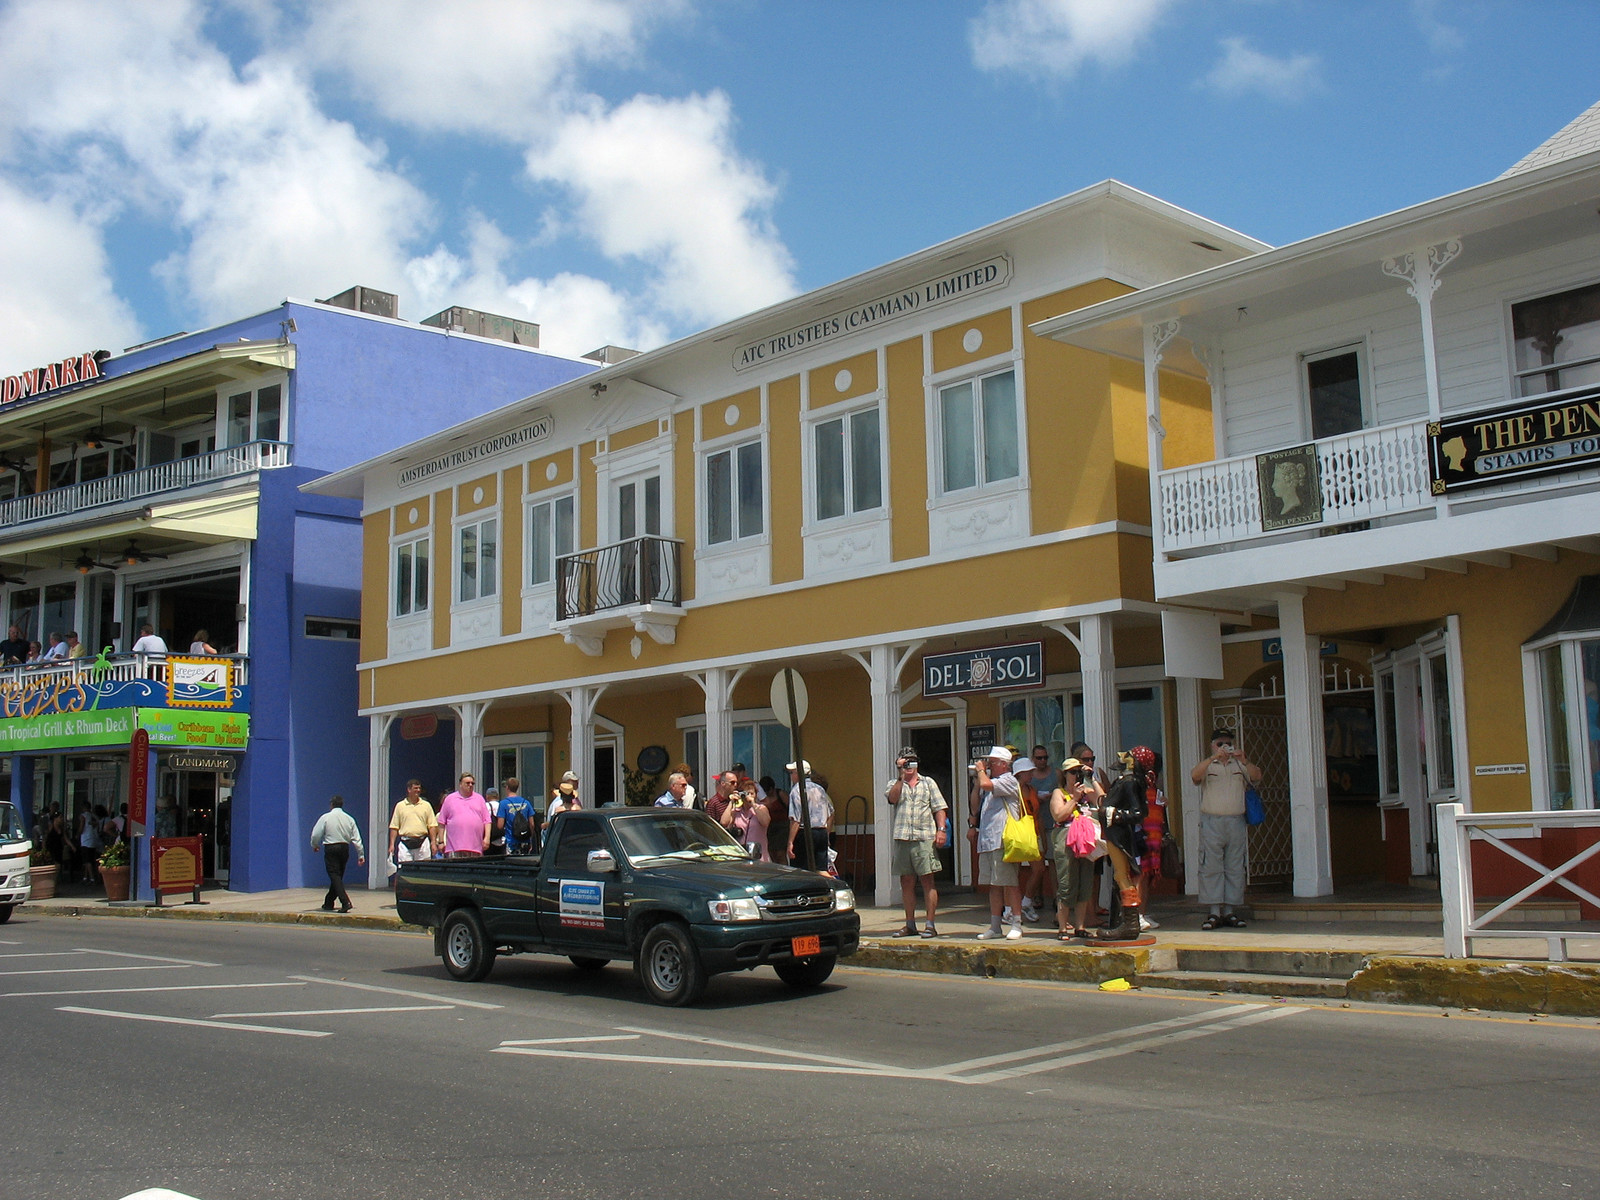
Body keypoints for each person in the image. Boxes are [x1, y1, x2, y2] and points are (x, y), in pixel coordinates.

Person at [1192, 729, 1261, 930]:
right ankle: (1214, 912)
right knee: (1211, 866)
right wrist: (1213, 757)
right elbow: (1195, 776)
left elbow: (1257, 776)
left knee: (1234, 866)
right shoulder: (1209, 764)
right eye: (1220, 743)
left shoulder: (1239, 764)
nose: (1224, 746)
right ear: (1213, 745)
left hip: (1235, 821)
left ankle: (1230, 911)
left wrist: (1244, 760)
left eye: (1227, 743)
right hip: (1212, 821)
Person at [885, 747, 948, 939]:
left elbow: (939, 808)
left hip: (924, 837)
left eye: (911, 761)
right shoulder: (895, 783)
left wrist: (941, 830)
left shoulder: (928, 783)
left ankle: (930, 924)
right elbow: (892, 798)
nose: (909, 765)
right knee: (906, 882)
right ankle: (910, 924)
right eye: (905, 762)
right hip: (903, 837)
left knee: (928, 880)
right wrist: (901, 776)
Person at [1095, 747, 1153, 941]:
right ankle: (1122, 920)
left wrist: (1115, 815)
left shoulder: (1131, 782)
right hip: (1113, 833)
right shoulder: (1124, 781)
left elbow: (1139, 813)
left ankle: (1130, 922)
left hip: (1120, 835)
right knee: (1118, 877)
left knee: (1122, 876)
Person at [968, 747, 1023, 940]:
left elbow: (987, 785)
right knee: (994, 885)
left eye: (992, 762)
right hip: (988, 840)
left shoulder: (1008, 780)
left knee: (1010, 883)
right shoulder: (989, 782)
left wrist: (982, 773)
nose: (988, 765)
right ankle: (995, 926)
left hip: (1002, 839)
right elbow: (975, 805)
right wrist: (976, 782)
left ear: (1002, 764)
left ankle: (1016, 922)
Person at [1050, 756, 1106, 939]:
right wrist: (1074, 798)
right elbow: (1059, 815)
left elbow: (1101, 800)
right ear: (1065, 774)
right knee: (1067, 883)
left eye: (1079, 772)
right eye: (1073, 772)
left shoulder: (1086, 790)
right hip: (1066, 837)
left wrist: (1092, 778)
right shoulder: (1059, 793)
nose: (1076, 776)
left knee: (1085, 883)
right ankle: (1062, 928)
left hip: (1085, 839)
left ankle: (1080, 927)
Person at [309, 794, 365, 914]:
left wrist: (315, 845)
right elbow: (356, 838)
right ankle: (329, 902)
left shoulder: (326, 817)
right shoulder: (349, 818)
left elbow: (315, 834)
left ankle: (345, 902)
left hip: (331, 847)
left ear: (331, 805)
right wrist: (361, 854)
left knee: (334, 875)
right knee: (337, 876)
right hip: (344, 848)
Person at [785, 760, 833, 871]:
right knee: (821, 869)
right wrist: (827, 833)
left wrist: (790, 842)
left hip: (804, 833)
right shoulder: (819, 789)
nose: (791, 776)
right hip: (821, 832)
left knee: (801, 870)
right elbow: (831, 813)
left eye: (792, 773)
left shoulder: (796, 790)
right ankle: (834, 885)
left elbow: (795, 819)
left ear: (799, 774)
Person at [387, 779, 438, 878]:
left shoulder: (426, 805)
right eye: (415, 788)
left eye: (419, 788)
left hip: (422, 842)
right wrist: (392, 845)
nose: (418, 790)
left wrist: (433, 842)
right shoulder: (400, 806)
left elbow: (432, 825)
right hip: (405, 843)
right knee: (405, 870)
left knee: (424, 869)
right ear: (409, 790)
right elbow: (394, 827)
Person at [437, 771, 491, 858]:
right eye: (467, 783)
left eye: (472, 783)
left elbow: (487, 821)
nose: (470, 785)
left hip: (475, 848)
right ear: (460, 784)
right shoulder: (450, 799)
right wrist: (441, 842)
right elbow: (442, 822)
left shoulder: (479, 799)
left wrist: (487, 838)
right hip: (454, 847)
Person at [720, 776, 771, 860]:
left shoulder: (761, 808)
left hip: (759, 856)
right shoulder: (736, 811)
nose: (749, 796)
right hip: (741, 855)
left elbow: (765, 822)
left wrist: (753, 804)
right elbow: (723, 822)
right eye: (746, 793)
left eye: (752, 793)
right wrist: (731, 802)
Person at [496, 777, 538, 856]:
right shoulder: (526, 803)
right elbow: (532, 824)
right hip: (525, 840)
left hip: (511, 841)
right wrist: (530, 836)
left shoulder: (503, 803)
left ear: (507, 788)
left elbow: (500, 825)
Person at [482, 788, 504, 854]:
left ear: (487, 796)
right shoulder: (502, 805)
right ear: (497, 796)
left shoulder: (485, 806)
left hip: (489, 840)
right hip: (501, 840)